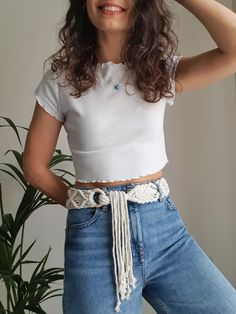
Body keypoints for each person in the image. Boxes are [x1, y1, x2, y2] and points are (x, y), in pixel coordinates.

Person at [23, 0, 236, 313]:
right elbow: (34, 166)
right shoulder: (62, 79)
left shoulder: (160, 71)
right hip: (95, 238)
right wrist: (88, 204)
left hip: (165, 230)